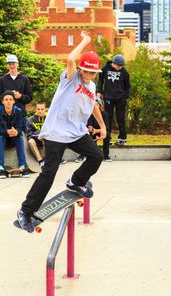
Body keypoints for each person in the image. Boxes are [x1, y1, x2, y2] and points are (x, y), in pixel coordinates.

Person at [17, 31, 106, 233]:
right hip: (57, 132)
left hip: (76, 132)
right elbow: (70, 58)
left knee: (96, 156)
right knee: (48, 174)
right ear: (81, 69)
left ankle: (75, 181)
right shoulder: (71, 78)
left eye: (93, 74)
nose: (89, 76)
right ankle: (25, 211)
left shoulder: (91, 86)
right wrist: (85, 41)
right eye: (87, 72)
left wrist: (102, 126)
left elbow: (93, 106)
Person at [96, 54, 130, 146]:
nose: (120, 67)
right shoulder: (105, 69)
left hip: (120, 99)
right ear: (113, 63)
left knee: (121, 118)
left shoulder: (124, 72)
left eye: (122, 66)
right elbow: (100, 82)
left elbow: (128, 87)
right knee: (108, 118)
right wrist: (98, 93)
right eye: (119, 65)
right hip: (108, 98)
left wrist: (125, 97)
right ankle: (108, 138)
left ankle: (122, 138)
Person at [0, 90, 29, 178]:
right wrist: (6, 131)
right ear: (2, 102)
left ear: (13, 101)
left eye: (10, 99)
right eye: (6, 99)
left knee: (19, 137)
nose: (8, 101)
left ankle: (23, 166)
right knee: (0, 137)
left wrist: (16, 131)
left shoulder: (18, 111)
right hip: (3, 137)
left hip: (14, 137)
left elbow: (20, 128)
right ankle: (0, 167)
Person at [0, 55, 33, 133]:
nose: (11, 66)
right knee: (3, 137)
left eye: (13, 63)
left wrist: (20, 96)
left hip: (21, 114)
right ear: (7, 66)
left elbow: (30, 97)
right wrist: (6, 98)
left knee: (22, 137)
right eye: (9, 64)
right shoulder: (2, 80)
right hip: (5, 116)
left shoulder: (24, 79)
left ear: (17, 64)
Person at [87, 96, 112, 161]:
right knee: (88, 134)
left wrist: (97, 130)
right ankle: (88, 155)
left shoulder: (104, 114)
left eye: (97, 105)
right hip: (92, 132)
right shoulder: (89, 115)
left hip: (100, 132)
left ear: (100, 106)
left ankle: (106, 155)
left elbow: (107, 128)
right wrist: (92, 130)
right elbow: (89, 127)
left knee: (108, 134)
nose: (95, 107)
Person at [27, 101, 47, 167]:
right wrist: (39, 135)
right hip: (36, 138)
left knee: (45, 139)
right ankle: (40, 161)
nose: (40, 111)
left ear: (45, 109)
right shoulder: (31, 119)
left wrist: (43, 136)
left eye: (42, 109)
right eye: (38, 109)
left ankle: (46, 159)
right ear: (35, 109)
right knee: (30, 141)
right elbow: (29, 133)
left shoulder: (49, 118)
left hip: (47, 138)